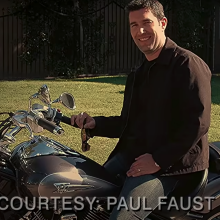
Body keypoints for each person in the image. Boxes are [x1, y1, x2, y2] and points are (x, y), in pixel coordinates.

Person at [71, 0, 212, 219]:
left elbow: (198, 123)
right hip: (133, 155)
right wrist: (96, 123)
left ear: (162, 23)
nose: (141, 31)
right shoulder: (139, 73)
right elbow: (129, 122)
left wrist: (157, 159)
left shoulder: (187, 65)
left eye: (146, 22)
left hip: (173, 166)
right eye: (134, 25)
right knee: (79, 193)